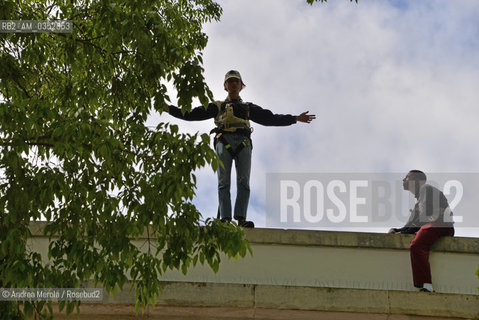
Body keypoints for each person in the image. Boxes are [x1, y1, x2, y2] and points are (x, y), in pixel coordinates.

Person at [165, 70, 315, 228]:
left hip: (243, 142)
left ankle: (241, 218)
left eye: (236, 81)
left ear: (241, 85)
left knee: (244, 181)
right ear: (225, 86)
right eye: (230, 81)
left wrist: (294, 119)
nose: (233, 84)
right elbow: (192, 114)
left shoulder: (248, 107)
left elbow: (269, 118)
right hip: (224, 141)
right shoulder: (217, 106)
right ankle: (225, 218)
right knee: (223, 182)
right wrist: (169, 109)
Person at [389, 170, 454, 292]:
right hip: (433, 224)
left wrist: (404, 233)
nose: (403, 180)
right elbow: (410, 224)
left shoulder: (426, 189)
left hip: (440, 224)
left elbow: (424, 218)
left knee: (417, 246)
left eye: (407, 177)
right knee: (417, 237)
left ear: (417, 181)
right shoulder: (419, 199)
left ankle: (427, 286)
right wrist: (397, 230)